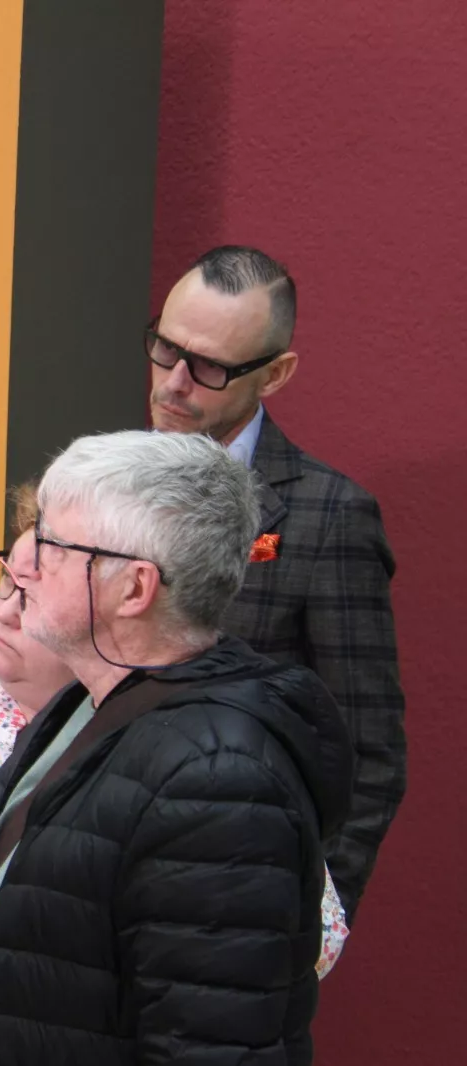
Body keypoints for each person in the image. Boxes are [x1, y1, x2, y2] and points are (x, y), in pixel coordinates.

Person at [0, 483, 349, 1042]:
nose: (7, 613)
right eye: (5, 579)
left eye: (33, 591)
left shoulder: (176, 752)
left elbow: (298, 944)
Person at [148, 245, 403, 920]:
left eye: (208, 366)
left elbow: (369, 752)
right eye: (164, 349)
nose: (174, 382)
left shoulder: (329, 517)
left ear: (276, 373)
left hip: (237, 890)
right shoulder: (104, 480)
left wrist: (312, 920)